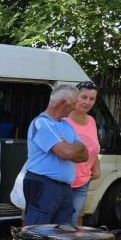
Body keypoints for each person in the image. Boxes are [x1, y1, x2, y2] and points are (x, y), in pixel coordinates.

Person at [23, 85, 88, 225]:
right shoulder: (41, 123)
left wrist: (72, 147)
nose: (75, 107)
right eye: (74, 103)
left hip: (64, 187)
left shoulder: (67, 125)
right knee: (39, 230)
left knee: (63, 232)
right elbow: (66, 153)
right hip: (44, 184)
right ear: (63, 103)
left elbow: (85, 155)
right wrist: (75, 147)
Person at [66, 81, 102, 222]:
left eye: (92, 99)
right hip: (64, 182)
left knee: (72, 221)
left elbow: (92, 148)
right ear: (75, 96)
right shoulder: (64, 120)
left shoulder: (91, 121)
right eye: (84, 97)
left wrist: (96, 169)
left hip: (83, 182)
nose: (87, 102)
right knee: (60, 223)